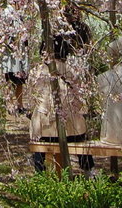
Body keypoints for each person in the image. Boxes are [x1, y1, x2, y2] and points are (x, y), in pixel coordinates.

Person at [28, 28, 94, 173]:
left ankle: (40, 173)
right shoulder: (72, 70)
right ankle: (89, 172)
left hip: (43, 129)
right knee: (81, 136)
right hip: (72, 127)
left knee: (38, 140)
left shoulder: (36, 71)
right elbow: (81, 99)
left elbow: (31, 100)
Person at [0, 6, 30, 115]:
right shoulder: (6, 12)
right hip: (9, 53)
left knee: (20, 80)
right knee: (8, 78)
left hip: (20, 52)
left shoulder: (21, 13)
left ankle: (19, 105)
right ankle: (9, 105)